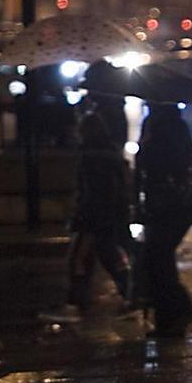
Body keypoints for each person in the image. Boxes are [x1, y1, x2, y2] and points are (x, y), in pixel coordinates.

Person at [38, 112, 132, 324]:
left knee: (78, 259)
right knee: (107, 257)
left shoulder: (92, 157)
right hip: (107, 216)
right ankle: (132, 296)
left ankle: (76, 303)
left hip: (93, 217)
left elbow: (92, 192)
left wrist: (82, 215)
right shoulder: (109, 153)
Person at [135, 105, 192, 338]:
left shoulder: (167, 126)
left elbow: (167, 162)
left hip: (171, 204)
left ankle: (180, 310)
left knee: (157, 257)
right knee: (159, 259)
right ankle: (169, 318)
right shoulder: (163, 124)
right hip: (164, 204)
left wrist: (146, 151)